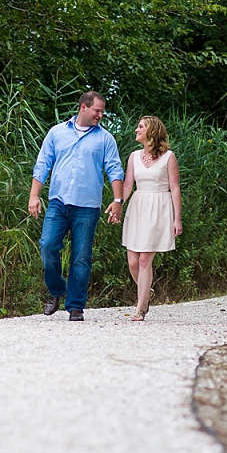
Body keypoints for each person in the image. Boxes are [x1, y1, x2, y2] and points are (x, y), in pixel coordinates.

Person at [28, 91, 125, 321]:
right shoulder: (57, 133)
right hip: (58, 202)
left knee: (81, 256)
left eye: (102, 111)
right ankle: (56, 290)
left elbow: (114, 170)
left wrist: (118, 200)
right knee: (47, 245)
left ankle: (75, 306)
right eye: (97, 111)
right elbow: (42, 165)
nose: (100, 115)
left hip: (87, 206)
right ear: (83, 107)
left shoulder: (105, 139)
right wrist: (34, 196)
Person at [120, 116, 182, 321]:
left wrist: (177, 219)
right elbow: (128, 185)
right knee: (132, 263)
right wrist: (118, 203)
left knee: (145, 259)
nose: (136, 129)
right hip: (137, 207)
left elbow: (174, 188)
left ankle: (140, 307)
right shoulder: (134, 156)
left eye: (140, 127)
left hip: (158, 208)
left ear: (152, 131)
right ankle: (147, 292)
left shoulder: (168, 157)